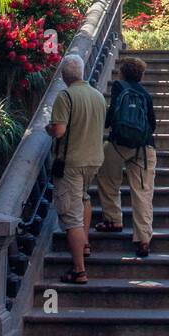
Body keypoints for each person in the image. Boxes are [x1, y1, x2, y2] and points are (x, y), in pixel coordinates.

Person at [45, 52, 106, 285]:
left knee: (71, 218)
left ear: (63, 75)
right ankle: (86, 244)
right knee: (83, 199)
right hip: (94, 159)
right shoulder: (98, 96)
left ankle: (79, 270)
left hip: (72, 162)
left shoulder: (66, 96)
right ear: (81, 72)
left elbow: (59, 131)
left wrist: (48, 129)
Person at [95, 56, 158, 257]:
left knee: (106, 177)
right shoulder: (146, 95)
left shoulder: (118, 87)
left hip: (118, 144)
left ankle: (113, 219)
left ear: (122, 72)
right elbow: (152, 124)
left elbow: (112, 115)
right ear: (140, 75)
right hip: (144, 147)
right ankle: (143, 240)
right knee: (143, 192)